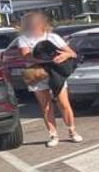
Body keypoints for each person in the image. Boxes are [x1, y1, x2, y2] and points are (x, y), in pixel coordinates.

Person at [17, 11, 82, 147]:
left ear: (42, 24)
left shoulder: (53, 37)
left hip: (56, 72)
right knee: (46, 107)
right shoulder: (23, 39)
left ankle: (72, 131)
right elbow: (26, 56)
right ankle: (53, 135)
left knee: (64, 104)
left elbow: (72, 53)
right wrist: (44, 57)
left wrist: (64, 56)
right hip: (38, 73)